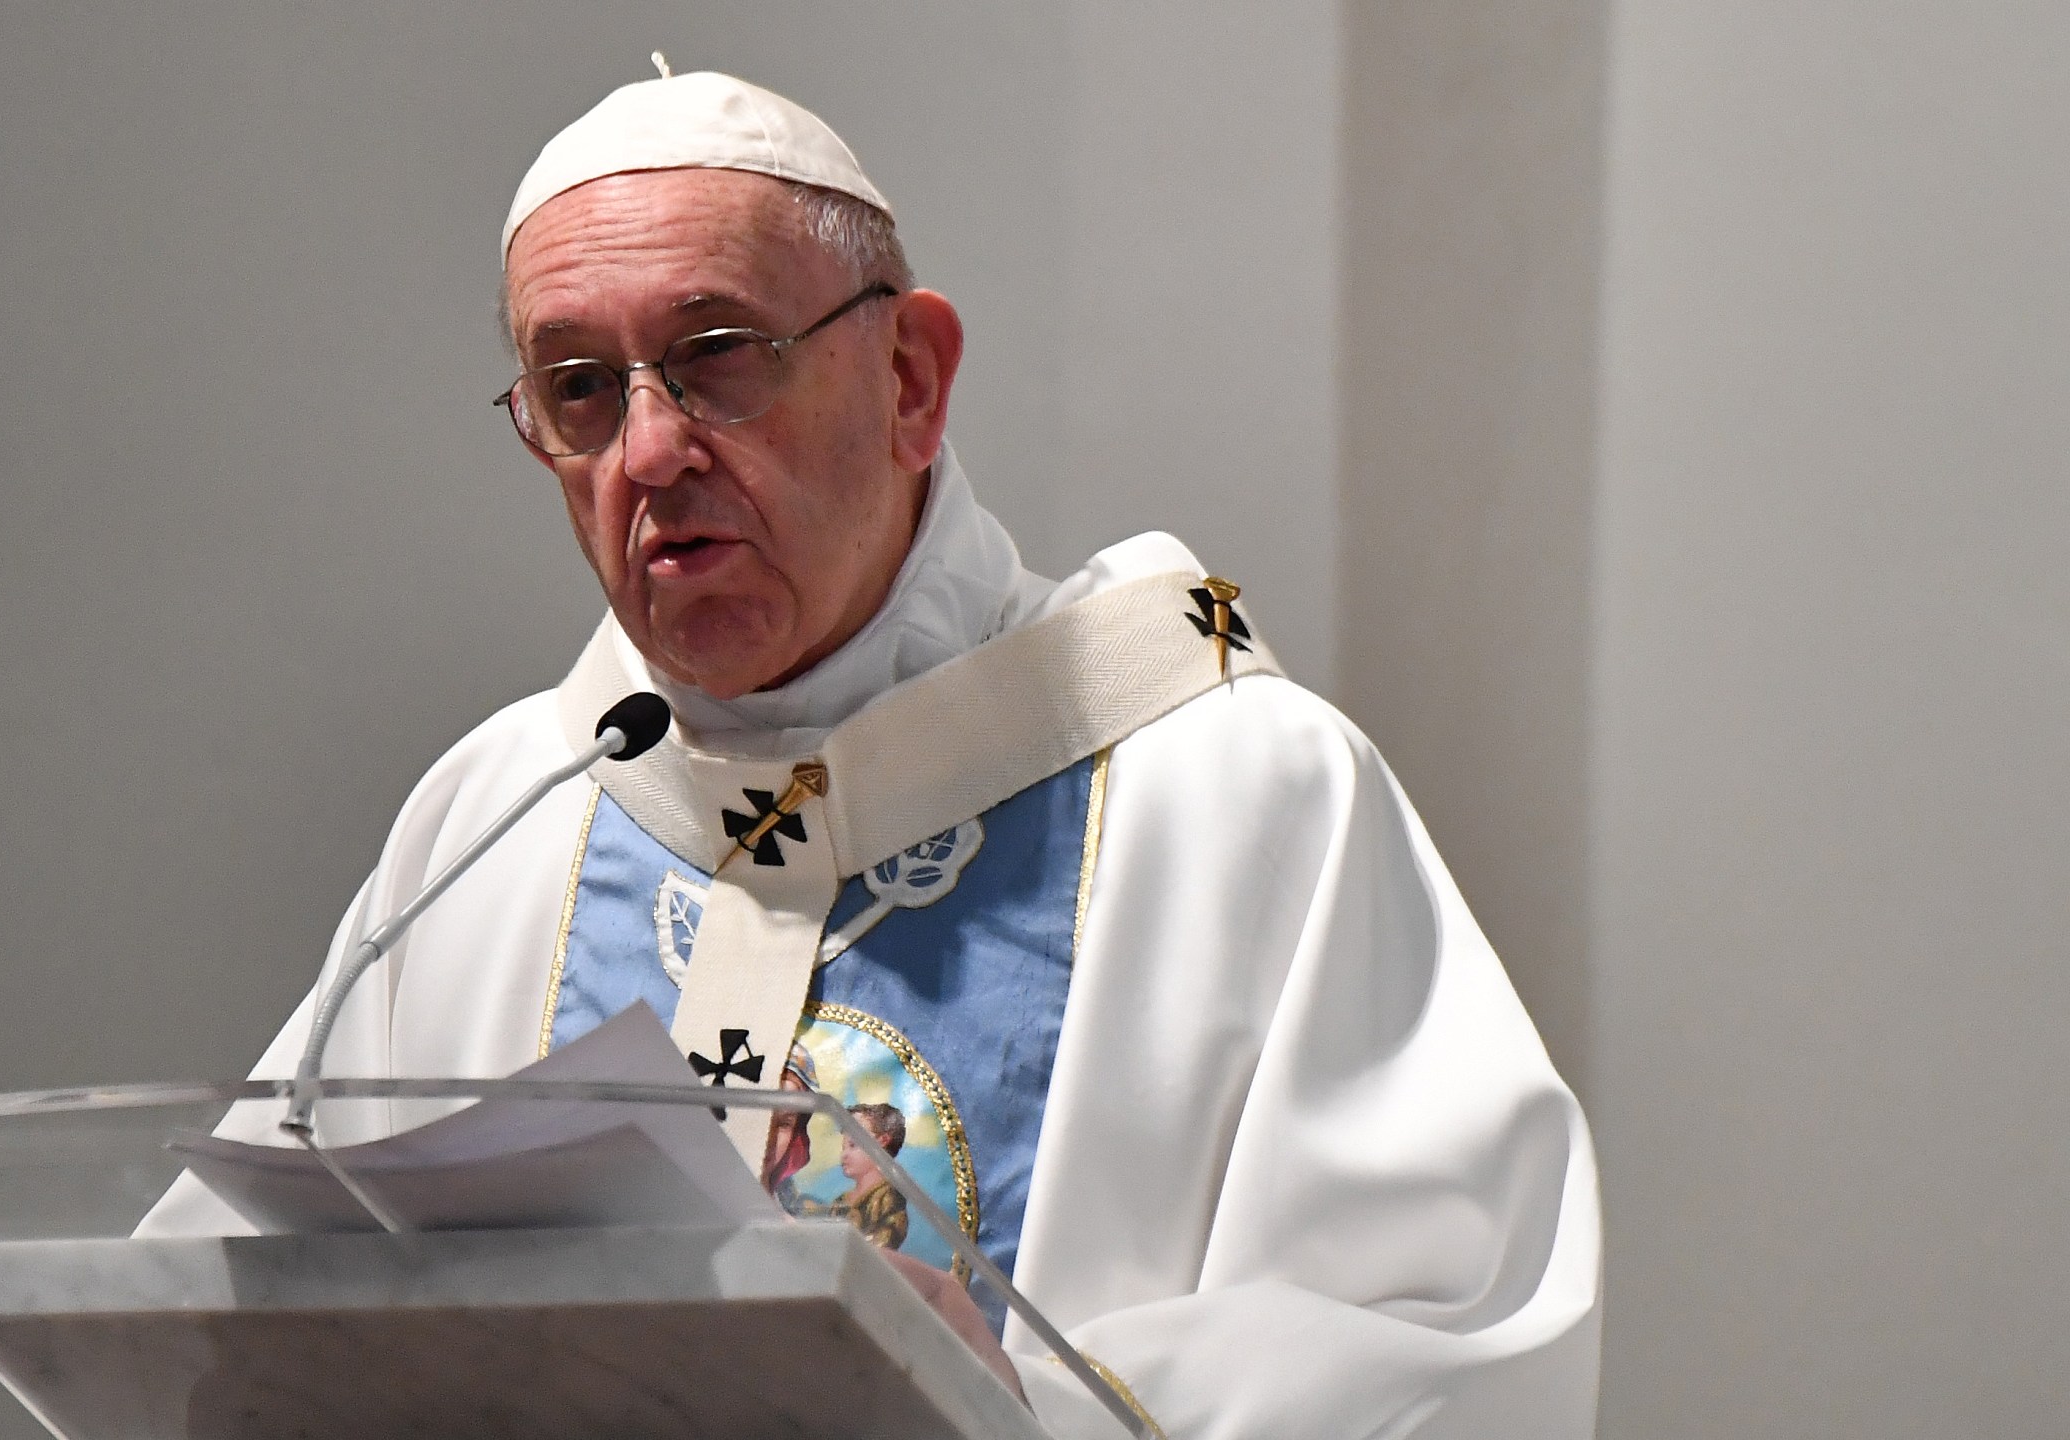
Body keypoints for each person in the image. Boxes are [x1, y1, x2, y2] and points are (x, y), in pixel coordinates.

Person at [153, 65, 1600, 1438]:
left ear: (911, 377)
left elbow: (1453, 1338)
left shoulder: (1229, 789)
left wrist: (1002, 1409)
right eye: (581, 388)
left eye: (716, 357)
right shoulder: (498, 825)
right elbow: (208, 1331)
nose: (648, 454)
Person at [825, 1102, 912, 1251]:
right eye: (843, 1147)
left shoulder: (889, 1198)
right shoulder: (839, 1203)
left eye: (853, 1145)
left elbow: (886, 1241)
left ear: (882, 1142)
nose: (844, 1155)